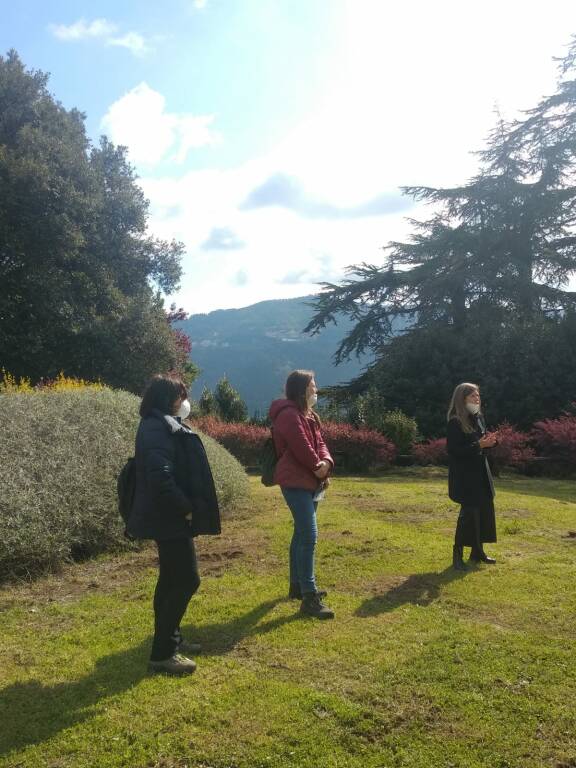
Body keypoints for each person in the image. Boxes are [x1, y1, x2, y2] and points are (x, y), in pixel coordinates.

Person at [127, 373, 221, 674]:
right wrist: (186, 509)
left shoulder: (159, 424)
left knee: (170, 579)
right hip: (168, 517)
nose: (185, 402)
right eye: (181, 396)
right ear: (168, 399)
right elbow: (160, 478)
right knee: (186, 580)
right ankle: (162, 653)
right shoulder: (157, 428)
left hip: (166, 516)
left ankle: (171, 639)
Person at [269, 370, 335, 619]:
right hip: (295, 481)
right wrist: (318, 467)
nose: (316, 389)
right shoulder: (288, 415)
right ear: (300, 388)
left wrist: (326, 462)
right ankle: (309, 595)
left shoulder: (308, 414)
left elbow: (320, 443)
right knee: (309, 535)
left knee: (300, 534)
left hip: (310, 479)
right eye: (312, 385)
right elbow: (301, 446)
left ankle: (297, 586)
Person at [447, 382, 498, 571]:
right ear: (462, 399)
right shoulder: (455, 422)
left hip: (481, 474)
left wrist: (492, 443)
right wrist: (480, 445)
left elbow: (481, 444)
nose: (477, 399)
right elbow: (454, 451)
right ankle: (457, 556)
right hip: (465, 478)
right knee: (468, 516)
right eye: (473, 396)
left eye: (478, 396)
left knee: (484, 512)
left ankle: (477, 552)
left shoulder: (478, 418)